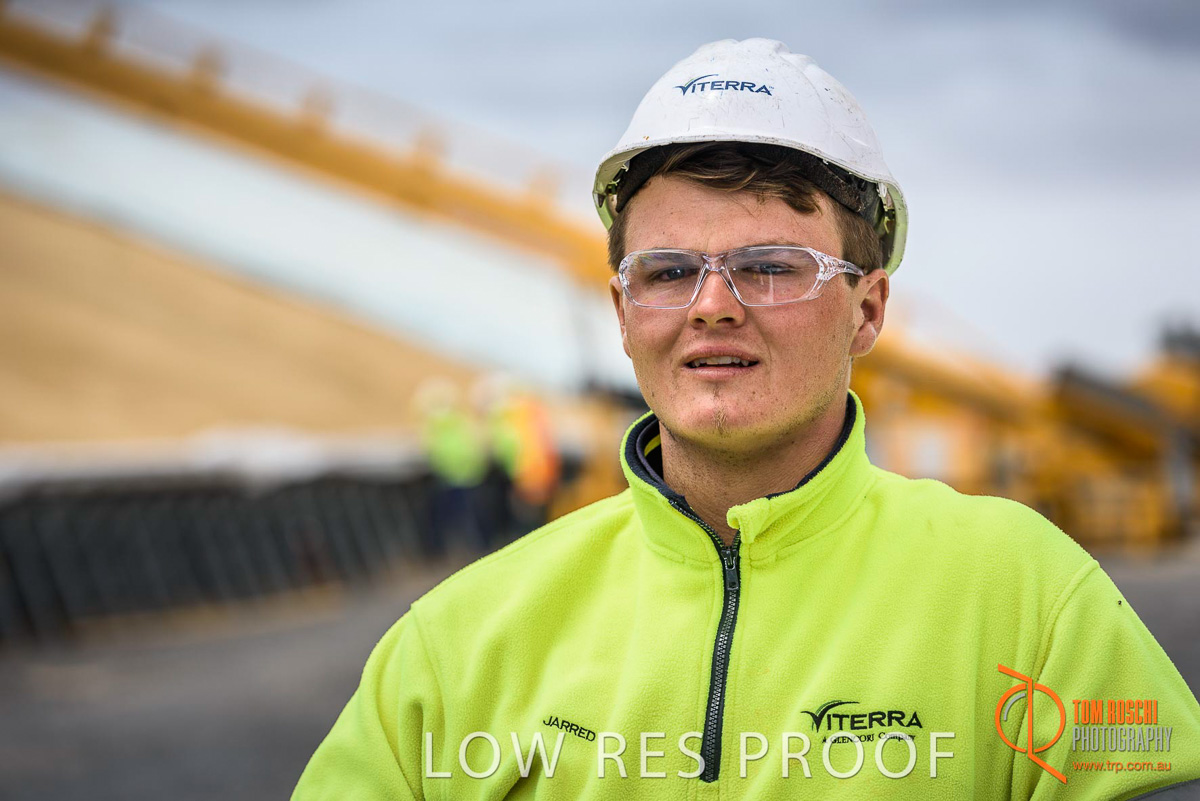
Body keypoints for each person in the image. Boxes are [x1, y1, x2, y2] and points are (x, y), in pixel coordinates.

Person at [294, 39, 1200, 799]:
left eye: (769, 267)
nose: (713, 306)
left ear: (868, 310)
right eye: (667, 271)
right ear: (623, 314)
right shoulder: (458, 643)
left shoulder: (1032, 600)